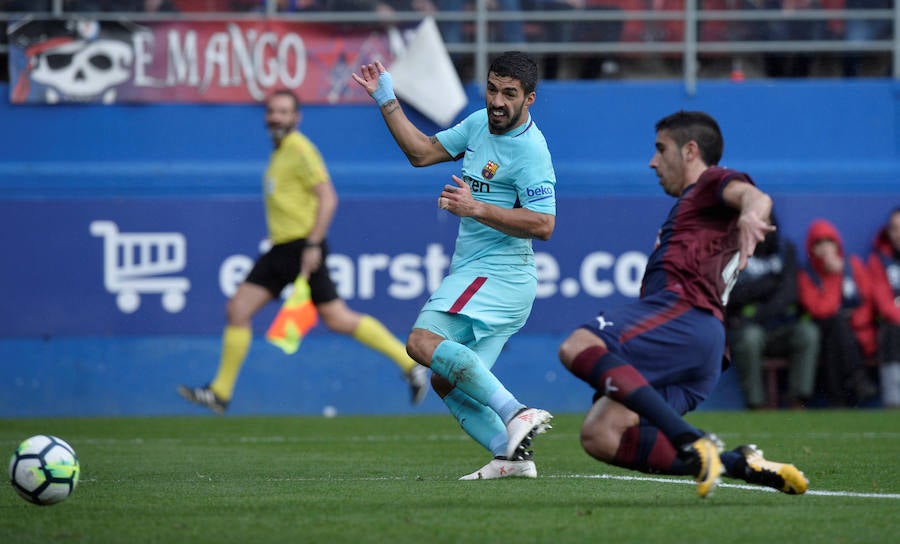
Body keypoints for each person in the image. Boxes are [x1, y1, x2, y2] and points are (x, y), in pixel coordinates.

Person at [557, 111, 809, 498]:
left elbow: (754, 196)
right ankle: (741, 463)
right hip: (700, 351)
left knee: (578, 345)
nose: (652, 161)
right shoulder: (695, 207)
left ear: (690, 151)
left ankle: (691, 439)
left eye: (661, 149)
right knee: (601, 434)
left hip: (686, 316)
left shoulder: (710, 182)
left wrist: (753, 215)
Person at [351, 51, 555, 480]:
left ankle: (517, 412)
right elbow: (421, 153)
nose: (498, 101)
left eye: (510, 94)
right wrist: (386, 98)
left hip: (499, 270)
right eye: (493, 89)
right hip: (490, 275)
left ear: (529, 99)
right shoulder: (479, 123)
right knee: (446, 379)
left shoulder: (531, 150)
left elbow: (544, 224)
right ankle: (510, 457)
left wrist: (475, 207)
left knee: (421, 343)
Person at [178, 89, 429, 414]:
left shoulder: (300, 149)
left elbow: (329, 198)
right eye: (272, 111)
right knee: (238, 310)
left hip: (302, 247)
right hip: (282, 249)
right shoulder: (280, 152)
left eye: (284, 111)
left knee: (336, 317)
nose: (277, 117)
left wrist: (312, 244)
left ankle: (410, 365)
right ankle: (220, 393)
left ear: (296, 118)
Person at [726, 212, 820, 409]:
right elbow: (730, 295)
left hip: (780, 326)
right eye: (755, 221)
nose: (760, 227)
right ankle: (756, 404)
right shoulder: (733, 251)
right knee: (750, 337)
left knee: (808, 332)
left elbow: (789, 294)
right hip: (746, 330)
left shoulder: (785, 250)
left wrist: (757, 310)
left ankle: (798, 400)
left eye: (765, 221)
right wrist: (768, 284)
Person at [798, 218, 879, 406]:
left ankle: (839, 399)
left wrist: (854, 322)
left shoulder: (853, 265)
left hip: (857, 333)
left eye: (829, 241)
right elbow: (820, 310)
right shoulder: (807, 274)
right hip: (825, 332)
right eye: (819, 243)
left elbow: (868, 300)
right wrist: (835, 276)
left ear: (837, 244)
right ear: (812, 247)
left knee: (839, 334)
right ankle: (858, 380)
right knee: (835, 327)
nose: (825, 248)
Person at [867, 207, 900, 407]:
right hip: (893, 326)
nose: (899, 234)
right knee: (891, 332)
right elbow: (883, 302)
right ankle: (895, 400)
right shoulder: (879, 260)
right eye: (895, 229)